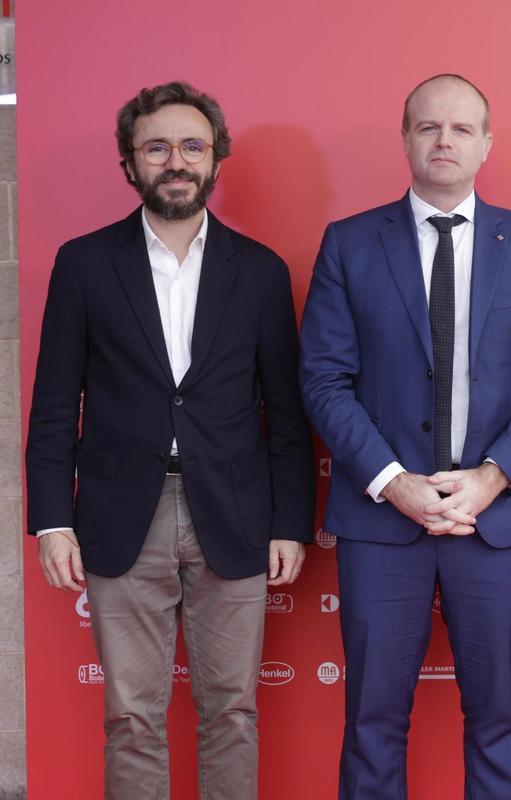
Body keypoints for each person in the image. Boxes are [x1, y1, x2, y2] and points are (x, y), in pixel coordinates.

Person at [25, 80, 314, 800]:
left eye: (192, 145)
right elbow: (56, 404)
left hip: (237, 514)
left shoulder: (261, 270)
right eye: (157, 147)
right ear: (130, 163)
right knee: (131, 717)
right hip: (121, 514)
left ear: (217, 158)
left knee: (234, 712)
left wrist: (290, 523)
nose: (176, 160)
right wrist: (53, 519)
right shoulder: (84, 264)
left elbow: (286, 411)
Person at [299, 73, 511, 799]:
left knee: (497, 719)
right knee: (371, 723)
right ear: (405, 140)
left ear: (487, 143)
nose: (444, 140)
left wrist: (491, 479)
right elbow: (324, 379)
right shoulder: (349, 243)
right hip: (381, 521)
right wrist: (395, 483)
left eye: (460, 129)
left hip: (494, 521)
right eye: (428, 127)